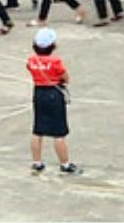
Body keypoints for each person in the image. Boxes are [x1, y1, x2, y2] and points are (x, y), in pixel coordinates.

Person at [27, 28, 81, 175]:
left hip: (38, 92)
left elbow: (30, 70)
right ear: (53, 46)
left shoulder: (32, 60)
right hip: (54, 93)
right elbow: (65, 77)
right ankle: (65, 164)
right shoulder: (55, 61)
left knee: (38, 129)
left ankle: (37, 162)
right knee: (59, 132)